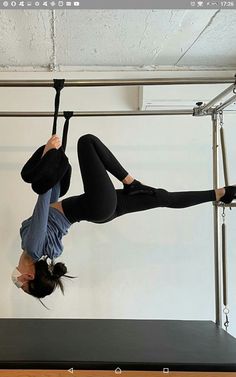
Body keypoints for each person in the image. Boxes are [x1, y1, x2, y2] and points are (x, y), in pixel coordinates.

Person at [12, 133, 236, 305]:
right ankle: (130, 182)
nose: (17, 279)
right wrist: (48, 157)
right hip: (96, 204)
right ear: (30, 275)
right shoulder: (32, 247)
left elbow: (51, 193)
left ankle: (220, 194)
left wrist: (51, 159)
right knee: (87, 142)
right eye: (23, 284)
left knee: (161, 198)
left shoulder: (42, 249)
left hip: (101, 211)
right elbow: (42, 194)